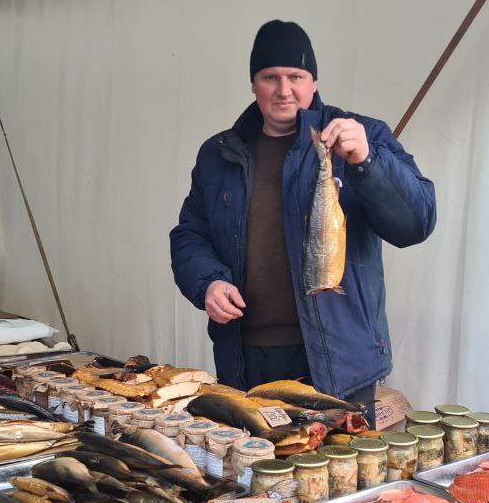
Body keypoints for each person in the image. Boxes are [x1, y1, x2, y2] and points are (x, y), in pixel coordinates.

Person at [169, 20, 436, 403]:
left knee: (339, 462)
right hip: (245, 360)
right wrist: (207, 281)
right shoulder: (219, 153)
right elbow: (189, 234)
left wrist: (367, 162)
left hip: (339, 362)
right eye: (269, 77)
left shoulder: (362, 135)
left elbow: (417, 222)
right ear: (253, 84)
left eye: (296, 75)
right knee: (254, 461)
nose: (283, 90)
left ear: (313, 81)